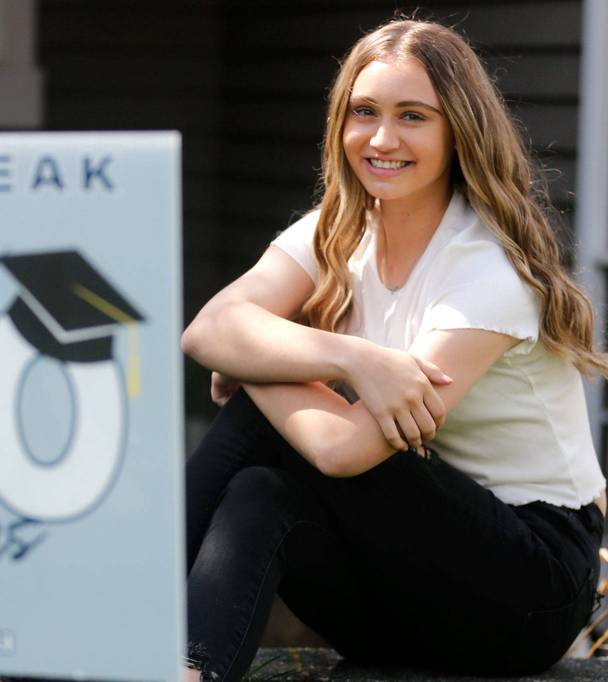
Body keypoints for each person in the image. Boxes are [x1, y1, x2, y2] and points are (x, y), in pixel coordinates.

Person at [179, 18, 608, 681]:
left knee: (257, 420)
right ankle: (187, 669)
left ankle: (110, 609)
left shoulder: (484, 270)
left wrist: (257, 362)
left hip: (528, 587)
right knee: (260, 495)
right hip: (413, 574)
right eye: (364, 112)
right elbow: (208, 329)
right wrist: (352, 358)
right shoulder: (338, 231)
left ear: (458, 130)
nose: (382, 138)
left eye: (413, 116)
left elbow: (342, 450)